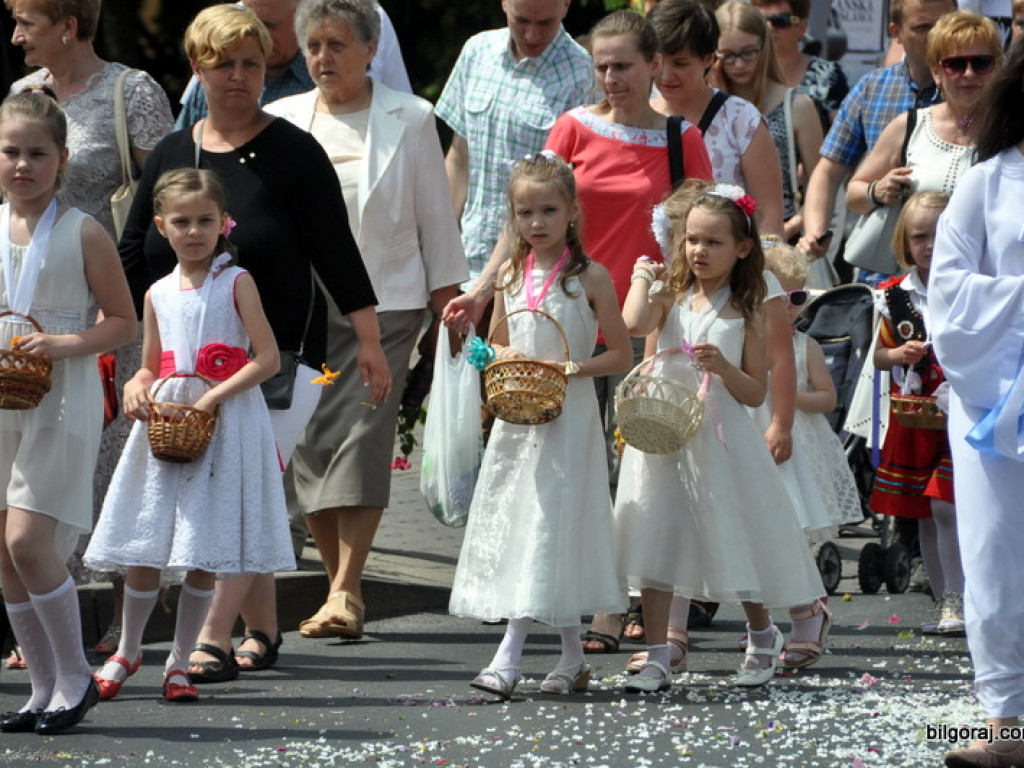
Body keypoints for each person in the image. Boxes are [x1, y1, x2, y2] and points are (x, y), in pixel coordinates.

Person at [117, 4, 390, 683]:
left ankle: (212, 635)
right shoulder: (174, 152)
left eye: (251, 63)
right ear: (198, 69)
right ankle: (262, 627)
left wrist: (370, 341)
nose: (238, 76)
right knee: (242, 488)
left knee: (236, 489)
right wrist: (127, 344)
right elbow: (133, 250)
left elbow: (336, 250)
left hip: (283, 361)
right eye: (223, 64)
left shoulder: (295, 150)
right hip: (184, 366)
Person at [263, 0, 467, 642]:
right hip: (303, 309)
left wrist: (447, 306)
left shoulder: (412, 117)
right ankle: (337, 589)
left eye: (338, 44)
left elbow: (436, 217)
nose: (324, 58)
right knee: (311, 441)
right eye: (314, 46)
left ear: (371, 49)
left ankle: (348, 588)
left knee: (362, 435)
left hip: (389, 302)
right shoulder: (282, 118)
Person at [538, 9, 713, 654]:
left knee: (639, 463)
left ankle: (631, 599)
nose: (611, 78)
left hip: (646, 320)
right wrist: (489, 286)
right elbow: (531, 212)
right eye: (602, 66)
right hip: (574, 315)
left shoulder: (680, 138)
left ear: (654, 66)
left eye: (624, 66)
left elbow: (703, 230)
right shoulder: (572, 127)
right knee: (575, 462)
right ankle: (590, 590)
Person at [85, 168, 294, 704]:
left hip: (224, 419)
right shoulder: (156, 292)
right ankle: (127, 649)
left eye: (205, 220)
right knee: (146, 536)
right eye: (181, 221)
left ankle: (179, 662)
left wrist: (213, 397)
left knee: (203, 543)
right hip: (169, 421)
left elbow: (267, 358)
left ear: (224, 222)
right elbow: (151, 363)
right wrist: (136, 383)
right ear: (161, 226)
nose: (194, 231)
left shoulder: (236, 281)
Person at [7, 0, 175, 659]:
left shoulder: (131, 92)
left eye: (27, 22)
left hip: (110, 306)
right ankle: (51, 622)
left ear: (68, 26)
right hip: (31, 310)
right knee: (34, 473)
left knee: (114, 465)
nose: (16, 35)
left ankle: (127, 617)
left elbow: (171, 193)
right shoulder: (25, 92)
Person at [613, 181, 824, 693]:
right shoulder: (670, 290)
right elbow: (635, 325)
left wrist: (725, 368)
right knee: (657, 537)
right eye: (691, 240)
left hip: (720, 438)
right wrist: (642, 278)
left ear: (742, 248)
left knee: (733, 534)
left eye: (713, 242)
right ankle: (659, 654)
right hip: (664, 433)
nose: (699, 251)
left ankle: (762, 632)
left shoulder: (747, 306)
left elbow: (755, 392)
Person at [448, 151, 632, 699]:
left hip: (568, 416)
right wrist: (489, 354)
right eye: (525, 212)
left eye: (549, 210)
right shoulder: (510, 274)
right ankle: (573, 656)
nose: (537, 222)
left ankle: (509, 654)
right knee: (526, 522)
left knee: (552, 522)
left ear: (572, 211)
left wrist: (568, 369)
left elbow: (620, 353)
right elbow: (501, 343)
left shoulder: (590, 277)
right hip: (518, 419)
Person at [0, 90, 136, 734]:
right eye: (10, 152)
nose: (22, 165)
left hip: (59, 395)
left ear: (62, 158)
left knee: (28, 539)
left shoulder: (83, 230)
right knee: (4, 551)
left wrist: (64, 343)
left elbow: (122, 321)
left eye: (37, 153)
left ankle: (76, 675)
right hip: (3, 396)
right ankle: (42, 686)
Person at [928, 40, 1024, 768]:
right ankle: (1006, 724)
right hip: (997, 395)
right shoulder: (988, 182)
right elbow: (950, 295)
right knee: (995, 555)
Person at [435, 0, 594, 296]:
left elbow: (571, 190)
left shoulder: (584, 73)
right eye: (521, 20)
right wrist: (439, 249)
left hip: (534, 275)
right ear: (504, 3)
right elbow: (459, 158)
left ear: (565, 6)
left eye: (545, 23)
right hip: (465, 263)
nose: (532, 35)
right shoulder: (477, 51)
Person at [756, 238, 861, 667]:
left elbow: (828, 397)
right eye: (778, 296)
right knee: (757, 530)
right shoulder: (746, 340)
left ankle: (806, 607)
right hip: (753, 438)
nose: (789, 307)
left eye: (798, 297)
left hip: (793, 444)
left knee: (788, 528)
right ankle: (765, 621)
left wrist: (791, 396)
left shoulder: (805, 346)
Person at [868, 191, 964, 637]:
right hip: (919, 416)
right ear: (905, 242)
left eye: (940, 235)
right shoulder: (895, 296)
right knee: (927, 511)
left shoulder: (970, 284)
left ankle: (963, 599)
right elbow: (878, 356)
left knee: (945, 505)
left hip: (965, 411)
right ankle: (947, 604)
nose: (930, 245)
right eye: (920, 236)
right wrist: (899, 354)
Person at [797, 0, 955, 262]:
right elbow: (828, 171)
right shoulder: (872, 88)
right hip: (880, 263)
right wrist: (815, 232)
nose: (936, 35)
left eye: (943, 24)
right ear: (896, 32)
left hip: (952, 255)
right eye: (923, 27)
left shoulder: (973, 88)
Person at [648, 0, 785, 238]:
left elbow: (768, 219)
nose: (666, 75)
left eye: (680, 63)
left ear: (708, 59)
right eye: (658, 62)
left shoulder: (741, 120)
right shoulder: (636, 114)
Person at [846, 12, 1002, 219]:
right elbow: (853, 193)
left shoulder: (1013, 130)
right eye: (955, 65)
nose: (969, 73)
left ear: (997, 67)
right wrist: (877, 191)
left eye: (981, 63)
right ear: (936, 72)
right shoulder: (908, 126)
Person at [176, 0, 411, 131]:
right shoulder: (214, 79)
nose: (258, 35)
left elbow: (399, 124)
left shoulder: (332, 81)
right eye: (252, 21)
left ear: (303, 20)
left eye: (270, 25)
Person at [713, 1, 823, 241]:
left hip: (783, 237)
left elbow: (821, 185)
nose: (739, 64)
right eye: (729, 55)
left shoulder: (796, 105)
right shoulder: (708, 107)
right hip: (717, 238)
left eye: (748, 53)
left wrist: (792, 227)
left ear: (764, 47)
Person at [749, 0, 849, 124]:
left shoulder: (827, 75)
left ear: (802, 28)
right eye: (760, 21)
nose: (769, 27)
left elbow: (845, 130)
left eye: (781, 20)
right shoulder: (742, 73)